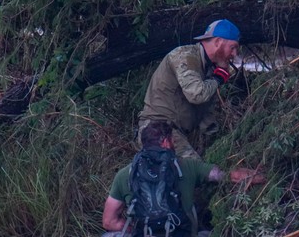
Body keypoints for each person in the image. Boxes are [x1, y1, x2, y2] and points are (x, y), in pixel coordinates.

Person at [102, 121, 263, 237]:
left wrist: (136, 229)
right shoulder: (186, 165)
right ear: (165, 142)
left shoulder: (125, 174)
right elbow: (230, 175)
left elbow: (108, 221)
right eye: (173, 140)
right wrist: (265, 177)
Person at [137, 19, 240, 160]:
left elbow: (205, 109)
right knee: (196, 172)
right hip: (157, 129)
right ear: (218, 42)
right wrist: (217, 79)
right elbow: (197, 95)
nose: (234, 54)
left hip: (178, 132)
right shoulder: (184, 56)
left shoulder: (208, 66)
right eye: (232, 47)